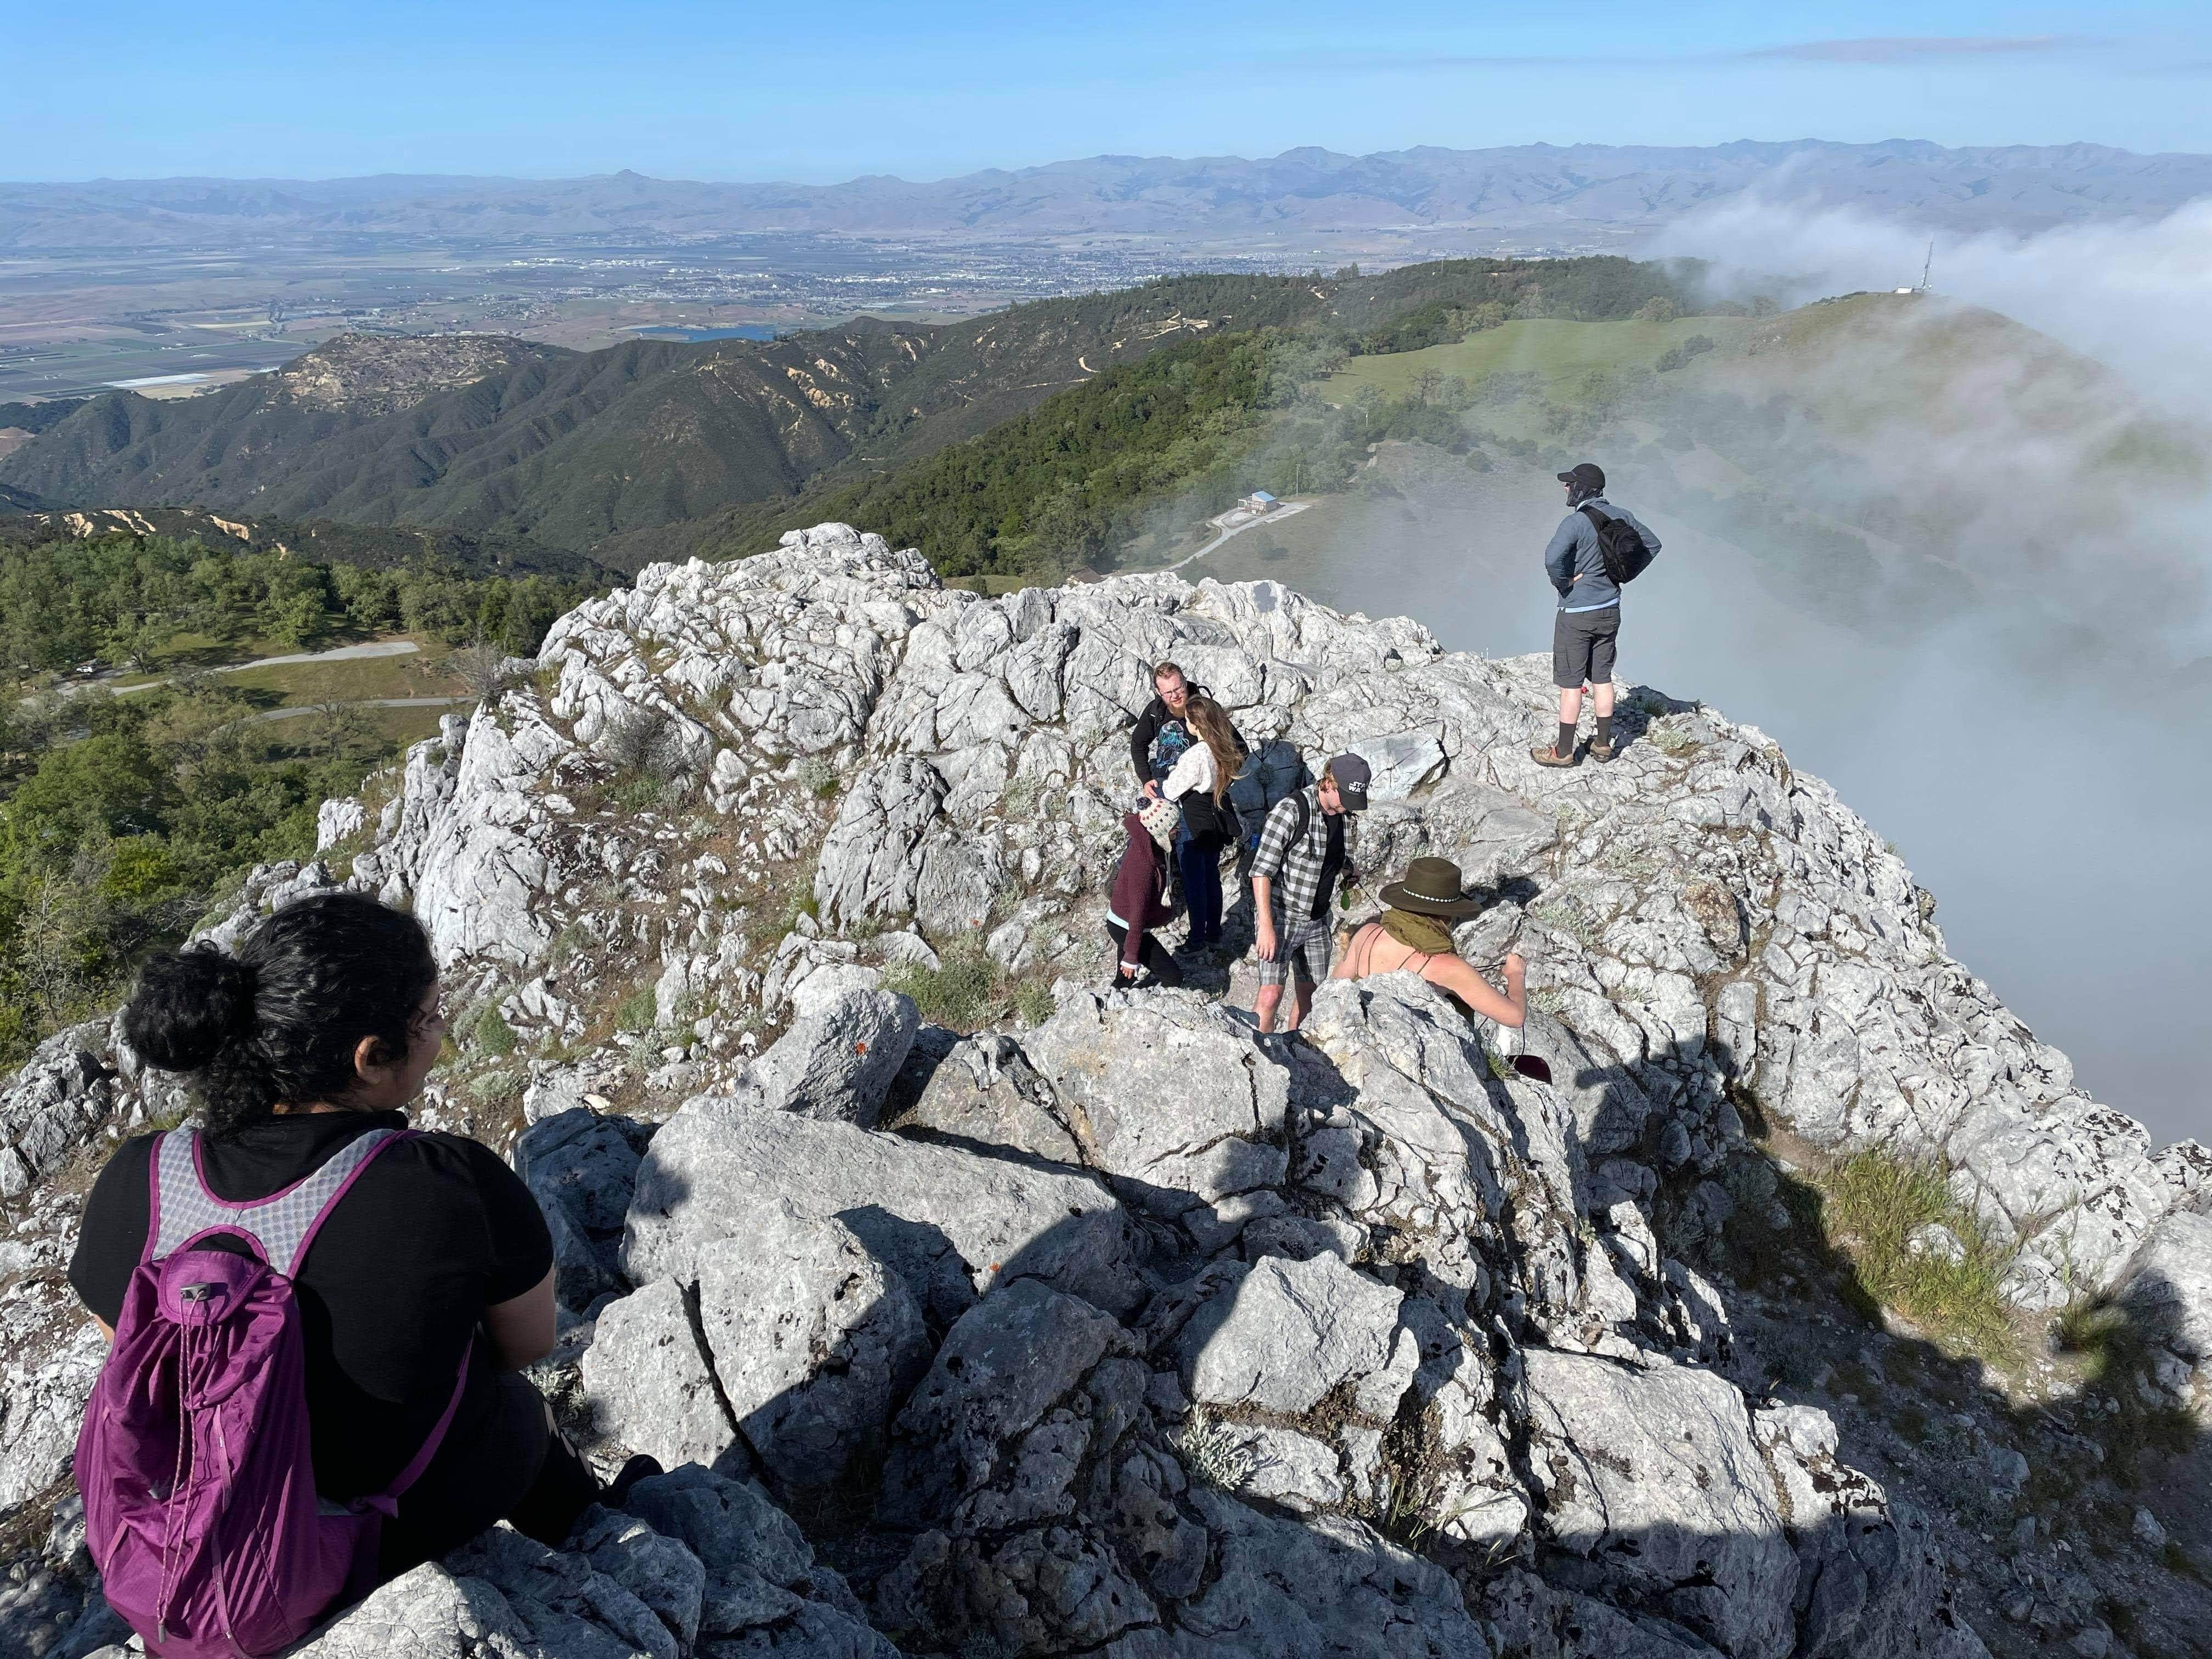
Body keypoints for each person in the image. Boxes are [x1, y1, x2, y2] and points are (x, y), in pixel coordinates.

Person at [68, 893, 640, 1592]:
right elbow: (526, 1344)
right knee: (513, 1407)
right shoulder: (448, 1181)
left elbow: (122, 1342)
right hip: (360, 1535)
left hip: (190, 1534)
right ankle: (603, 1531)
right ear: (371, 1059)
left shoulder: (139, 1175)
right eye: (429, 1017)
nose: (442, 1030)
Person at [1533, 461, 1661, 768]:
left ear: (1582, 488)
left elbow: (1552, 559)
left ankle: (1564, 752)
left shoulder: (1575, 522)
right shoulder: (1622, 516)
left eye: (1570, 484)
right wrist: (1622, 575)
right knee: (1602, 678)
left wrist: (1564, 582)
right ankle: (1603, 745)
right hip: (1610, 610)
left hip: (1577, 613)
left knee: (1571, 683)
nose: (1566, 488)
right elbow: (1652, 545)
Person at [1250, 753, 1372, 1034]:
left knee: (1312, 995)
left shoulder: (1346, 818)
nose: (1347, 808)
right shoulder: (1291, 811)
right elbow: (1261, 872)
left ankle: (1295, 1050)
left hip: (1318, 922)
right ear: (1329, 782)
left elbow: (1335, 856)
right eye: (1344, 798)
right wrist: (1266, 927)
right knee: (1270, 996)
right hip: (1283, 918)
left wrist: (1347, 872)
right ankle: (1258, 1055)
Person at [1333, 856, 1527, 1029]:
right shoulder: (1449, 967)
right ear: (1447, 913)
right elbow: (1515, 1017)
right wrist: (1516, 975)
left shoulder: (1367, 933)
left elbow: (1333, 990)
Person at [1159, 694, 1244, 955]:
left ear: (1196, 724)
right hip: (1215, 819)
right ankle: (1214, 933)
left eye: (1188, 720)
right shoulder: (1224, 749)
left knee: (1195, 883)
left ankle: (1196, 939)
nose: (1187, 725)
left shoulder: (1196, 754)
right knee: (1211, 879)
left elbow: (1171, 789)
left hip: (1193, 822)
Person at [1108, 797, 1186, 988]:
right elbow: (1138, 912)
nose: (1179, 829)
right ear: (1160, 831)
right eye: (1174, 826)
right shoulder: (1143, 864)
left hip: (1125, 923)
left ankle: (1116, 1000)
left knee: (1125, 978)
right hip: (1127, 926)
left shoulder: (1153, 846)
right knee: (1173, 977)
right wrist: (1132, 954)